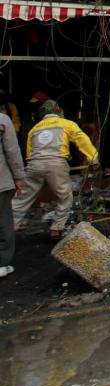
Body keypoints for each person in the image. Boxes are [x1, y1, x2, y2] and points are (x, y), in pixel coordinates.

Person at [12, 100, 99, 241]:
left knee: (22, 199)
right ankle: (56, 229)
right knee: (65, 196)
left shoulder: (35, 129)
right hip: (56, 164)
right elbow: (82, 140)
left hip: (34, 165)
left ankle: (7, 229)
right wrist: (94, 158)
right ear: (58, 110)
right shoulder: (66, 124)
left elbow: (29, 152)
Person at [0, 111, 25, 277]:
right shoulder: (2, 120)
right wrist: (18, 176)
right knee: (3, 221)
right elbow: (12, 151)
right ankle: (1, 264)